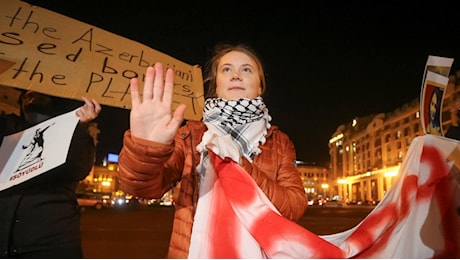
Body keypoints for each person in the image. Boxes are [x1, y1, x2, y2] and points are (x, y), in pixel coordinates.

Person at [118, 43, 308, 258]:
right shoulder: (191, 135)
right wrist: (146, 148)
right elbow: (140, 188)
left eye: (246, 69)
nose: (236, 75)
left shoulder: (279, 142)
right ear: (216, 85)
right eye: (226, 69)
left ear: (260, 86)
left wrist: (240, 164)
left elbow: (294, 207)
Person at [0, 90, 101, 258]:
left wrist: (78, 127)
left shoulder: (73, 131)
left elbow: (79, 168)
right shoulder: (7, 127)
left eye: (41, 95)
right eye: (27, 95)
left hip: (51, 243)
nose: (32, 99)